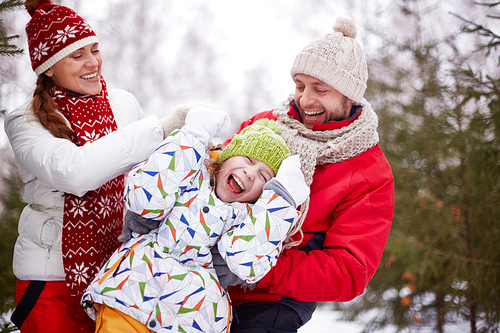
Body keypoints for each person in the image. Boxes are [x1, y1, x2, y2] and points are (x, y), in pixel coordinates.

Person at [4, 1, 178, 332]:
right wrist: (160, 127)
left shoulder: (123, 103)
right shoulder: (25, 119)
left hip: (118, 276)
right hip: (52, 281)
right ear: (50, 67)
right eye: (77, 55)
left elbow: (155, 172)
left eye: (95, 50)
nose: (93, 63)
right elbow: (75, 173)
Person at [218, 17, 395, 332]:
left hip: (272, 298)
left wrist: (254, 265)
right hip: (205, 271)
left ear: (349, 95)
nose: (305, 99)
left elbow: (349, 271)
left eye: (320, 89)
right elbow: (212, 175)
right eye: (300, 86)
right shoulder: (264, 126)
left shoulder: (369, 171)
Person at [81, 106, 310, 333]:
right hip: (130, 294)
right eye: (248, 160)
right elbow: (145, 197)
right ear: (226, 157)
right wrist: (192, 137)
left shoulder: (250, 220)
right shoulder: (189, 174)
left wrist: (281, 201)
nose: (250, 173)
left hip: (191, 318)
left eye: (263, 176)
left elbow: (246, 262)